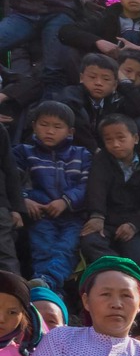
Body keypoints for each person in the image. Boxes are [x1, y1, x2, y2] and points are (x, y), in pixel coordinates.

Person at [13, 102, 92, 286]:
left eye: (57, 127)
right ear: (34, 125)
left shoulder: (82, 155)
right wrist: (25, 199)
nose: (50, 131)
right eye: (44, 124)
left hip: (73, 215)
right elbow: (11, 182)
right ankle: (46, 286)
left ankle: (48, 282)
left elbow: (87, 185)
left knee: (66, 248)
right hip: (40, 214)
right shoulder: (23, 152)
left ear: (70, 132)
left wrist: (66, 201)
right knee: (43, 247)